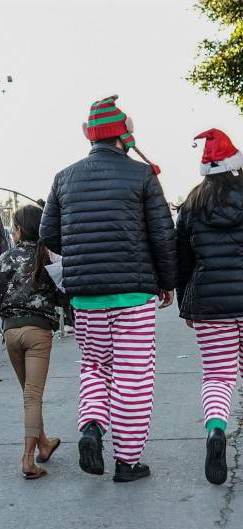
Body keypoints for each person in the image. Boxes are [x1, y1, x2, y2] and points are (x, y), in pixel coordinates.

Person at [40, 94, 177, 483]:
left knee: (95, 367)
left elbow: (48, 234)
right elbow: (162, 235)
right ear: (125, 135)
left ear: (90, 135)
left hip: (85, 296)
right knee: (133, 374)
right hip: (134, 295)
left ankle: (92, 428)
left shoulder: (63, 177)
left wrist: (85, 252)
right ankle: (128, 461)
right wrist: (167, 283)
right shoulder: (142, 176)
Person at [175, 128, 243, 485]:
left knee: (218, 375)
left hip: (210, 304)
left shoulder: (192, 204)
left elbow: (182, 259)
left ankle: (216, 429)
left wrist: (186, 301)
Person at [0, 204, 65, 479]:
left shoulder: (4, 258)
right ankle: (27, 460)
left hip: (11, 332)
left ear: (20, 229)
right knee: (33, 397)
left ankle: (44, 445)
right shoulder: (47, 259)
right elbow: (62, 297)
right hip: (38, 332)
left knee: (28, 394)